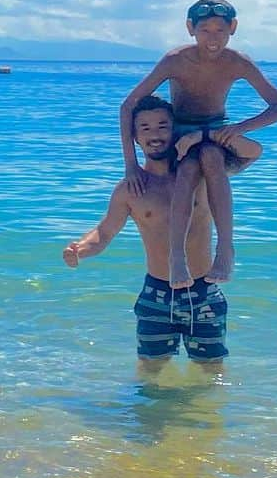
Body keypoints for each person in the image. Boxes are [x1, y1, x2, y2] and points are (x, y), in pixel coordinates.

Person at [119, 0, 277, 290]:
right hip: (182, 133)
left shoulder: (238, 62)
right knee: (188, 169)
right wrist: (131, 166)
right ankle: (177, 257)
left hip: (218, 130)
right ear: (190, 29)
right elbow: (128, 105)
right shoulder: (175, 60)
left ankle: (225, 249)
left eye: (220, 30)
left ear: (233, 28)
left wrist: (239, 127)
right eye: (205, 30)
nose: (213, 38)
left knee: (211, 155)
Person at [64, 95, 228, 371]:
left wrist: (205, 136)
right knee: (150, 376)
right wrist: (81, 249)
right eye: (146, 128)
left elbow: (245, 155)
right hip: (156, 293)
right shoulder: (132, 189)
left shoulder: (201, 175)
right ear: (135, 138)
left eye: (163, 126)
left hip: (204, 290)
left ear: (174, 130)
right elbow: (104, 233)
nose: (155, 134)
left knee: (211, 374)